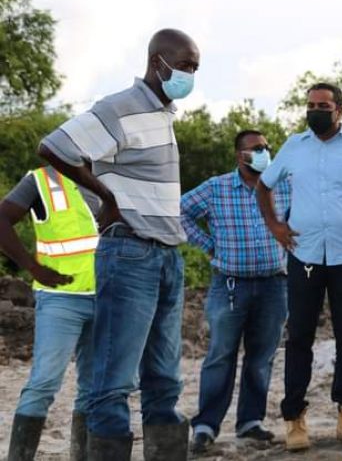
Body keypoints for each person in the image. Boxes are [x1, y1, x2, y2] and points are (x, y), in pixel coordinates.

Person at [38, 29, 200, 460]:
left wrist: (107, 192)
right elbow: (54, 147)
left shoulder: (164, 114)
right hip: (130, 255)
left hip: (167, 256)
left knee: (165, 381)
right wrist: (106, 198)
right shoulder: (120, 107)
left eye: (194, 68)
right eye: (184, 66)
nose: (189, 75)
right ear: (157, 63)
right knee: (114, 384)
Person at [256, 82, 342, 455]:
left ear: (339, 110)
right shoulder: (294, 147)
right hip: (305, 257)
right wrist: (276, 226)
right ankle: (295, 419)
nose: (315, 110)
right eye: (310, 104)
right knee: (298, 339)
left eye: (323, 105)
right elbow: (263, 187)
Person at [181, 130, 290, 453]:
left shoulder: (282, 184)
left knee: (261, 358)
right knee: (220, 355)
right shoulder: (216, 188)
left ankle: (250, 422)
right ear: (239, 155)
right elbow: (180, 211)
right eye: (256, 148)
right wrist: (209, 246)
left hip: (274, 284)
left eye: (267, 147)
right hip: (229, 285)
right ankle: (205, 426)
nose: (264, 153)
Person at [0, 167, 99, 461]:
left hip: (107, 297)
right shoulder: (41, 180)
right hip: (60, 300)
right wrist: (31, 266)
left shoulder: (111, 173)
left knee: (93, 388)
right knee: (43, 383)